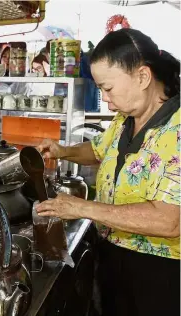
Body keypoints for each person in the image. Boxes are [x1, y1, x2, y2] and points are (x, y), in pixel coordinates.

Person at [36, 28, 180, 316]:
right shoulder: (125, 118)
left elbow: (170, 220)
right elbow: (101, 149)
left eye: (108, 88)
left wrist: (83, 208)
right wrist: (63, 150)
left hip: (157, 273)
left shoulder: (176, 131)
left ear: (142, 77)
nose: (104, 97)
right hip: (113, 256)